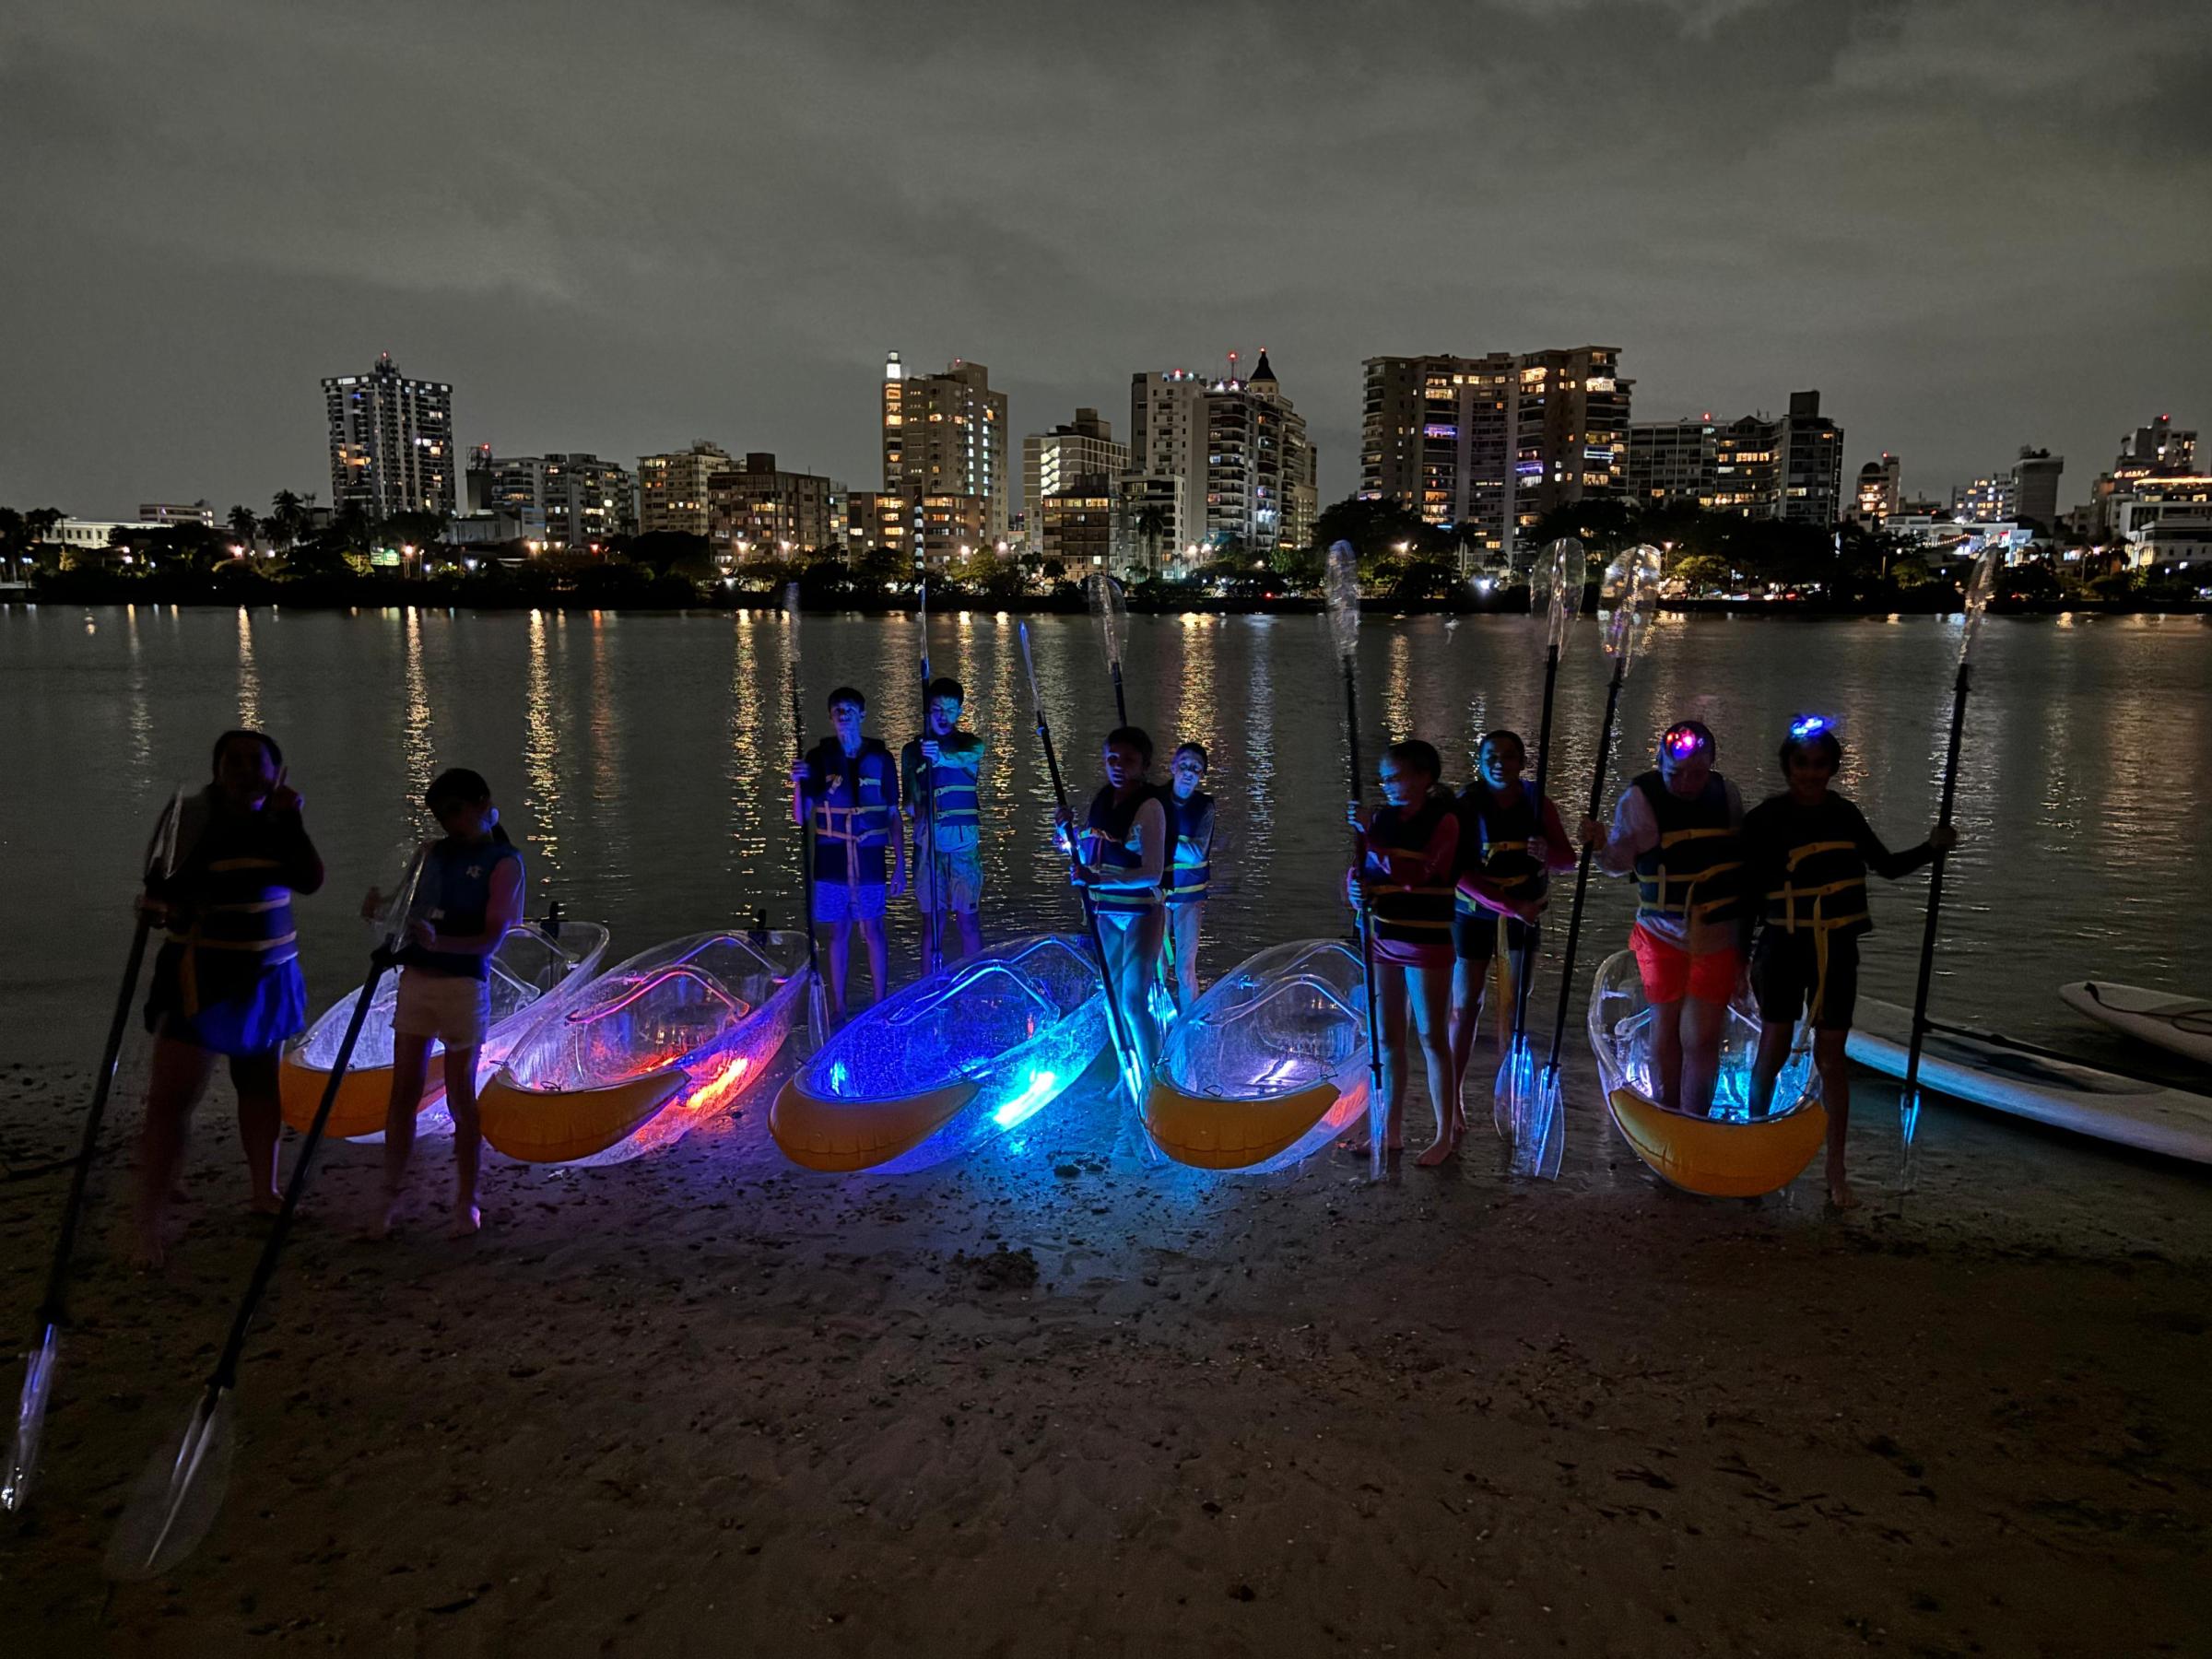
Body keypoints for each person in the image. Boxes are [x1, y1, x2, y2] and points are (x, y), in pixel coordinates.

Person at [1741, 718, 1956, 1209]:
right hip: (1782, 946)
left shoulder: (1845, 814)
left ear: (1833, 768)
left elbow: (1886, 866)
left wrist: (1932, 848)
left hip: (1837, 947)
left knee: (1832, 1057)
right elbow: (1748, 894)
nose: (1811, 775)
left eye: (1820, 766)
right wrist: (1738, 958)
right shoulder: (1763, 820)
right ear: (1787, 767)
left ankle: (1836, 1173)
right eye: (1802, 765)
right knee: (1772, 1048)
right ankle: (1756, 1148)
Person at [135, 730, 324, 1266]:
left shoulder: (280, 820)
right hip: (202, 974)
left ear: (276, 771)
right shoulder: (190, 816)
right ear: (217, 770)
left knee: (259, 1086)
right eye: (232, 762)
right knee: (172, 1100)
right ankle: (147, 1222)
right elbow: (157, 887)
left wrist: (291, 818)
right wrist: (159, 906)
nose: (244, 771)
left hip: (268, 975)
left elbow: (310, 879)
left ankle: (263, 1191)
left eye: (254, 763)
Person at [367, 769, 524, 1240]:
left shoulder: (504, 861)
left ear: (481, 804)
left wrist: (438, 944)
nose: (449, 824)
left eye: (455, 812)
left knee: (461, 1098)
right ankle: (389, 1197)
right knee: (402, 1094)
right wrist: (379, 909)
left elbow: (490, 939)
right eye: (441, 816)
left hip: (461, 988)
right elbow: (399, 913)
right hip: (416, 982)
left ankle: (466, 1201)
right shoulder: (429, 854)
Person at [1579, 719, 1744, 1118]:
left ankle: (1696, 1118)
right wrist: (1600, 845)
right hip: (1660, 933)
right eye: (1676, 774)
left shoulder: (1727, 795)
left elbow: (1742, 862)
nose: (1687, 784)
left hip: (1717, 932)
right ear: (1660, 764)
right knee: (1664, 1027)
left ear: (1712, 766)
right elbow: (1620, 862)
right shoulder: (1640, 798)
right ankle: (1669, 1111)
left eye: (1697, 775)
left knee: (1702, 1038)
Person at [1348, 739, 1463, 1166]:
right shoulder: (1380, 819)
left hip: (1426, 938)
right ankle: (1390, 1130)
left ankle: (1443, 1133)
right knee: (1388, 1038)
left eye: (1398, 777)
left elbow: (1417, 874)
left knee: (1432, 1036)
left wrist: (1371, 836)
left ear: (1424, 778)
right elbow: (1360, 871)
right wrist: (1354, 889)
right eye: (1385, 779)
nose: (1390, 786)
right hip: (1382, 936)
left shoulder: (1446, 821)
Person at [1449, 729, 1574, 1095]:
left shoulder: (1538, 803)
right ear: (1479, 762)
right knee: (1466, 1003)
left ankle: (1508, 1085)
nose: (1498, 764)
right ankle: (1453, 1091)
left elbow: (1567, 859)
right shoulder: (1466, 805)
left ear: (1521, 763)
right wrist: (1510, 906)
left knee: (1516, 1001)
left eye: (1507, 756)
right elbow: (1456, 873)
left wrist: (1545, 852)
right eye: (1490, 756)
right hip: (1474, 915)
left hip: (1526, 914)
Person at [1056, 726, 1169, 1076]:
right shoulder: (1102, 799)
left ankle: (1154, 1077)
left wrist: (1098, 879)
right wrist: (1063, 833)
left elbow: (1153, 872)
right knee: (1112, 998)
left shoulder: (1150, 807)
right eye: (1112, 759)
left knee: (1134, 1002)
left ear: (1144, 765)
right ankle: (1126, 1069)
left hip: (1140, 911)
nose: (1118, 766)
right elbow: (1082, 852)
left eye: (1128, 760)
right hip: (1106, 911)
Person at [792, 687, 903, 1020]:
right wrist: (796, 783)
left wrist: (900, 865)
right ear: (830, 716)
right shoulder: (817, 758)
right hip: (831, 859)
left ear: (862, 715)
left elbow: (893, 815)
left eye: (850, 710)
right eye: (837, 710)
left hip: (869, 857)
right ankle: (838, 1006)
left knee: (874, 929)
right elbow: (802, 816)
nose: (843, 715)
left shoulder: (882, 759)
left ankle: (879, 1002)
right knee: (837, 931)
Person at [900, 676, 986, 971]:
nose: (943, 716)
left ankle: (976, 983)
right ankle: (928, 989)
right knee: (931, 923)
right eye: (937, 708)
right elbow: (908, 801)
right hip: (928, 845)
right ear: (928, 710)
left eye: (951, 709)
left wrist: (940, 757)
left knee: (968, 919)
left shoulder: (969, 745)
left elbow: (968, 755)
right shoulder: (912, 751)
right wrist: (919, 795)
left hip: (962, 846)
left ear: (960, 711)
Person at [1160, 741, 1217, 1014]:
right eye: (1183, 765)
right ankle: (1156, 1022)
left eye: (1196, 768)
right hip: (1158, 894)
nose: (1188, 772)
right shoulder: (1154, 799)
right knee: (1156, 965)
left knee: (1185, 967)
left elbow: (1196, 854)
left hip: (1189, 896)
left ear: (1202, 774)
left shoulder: (1204, 807)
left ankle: (1189, 1025)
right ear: (1173, 767)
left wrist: (1159, 838)